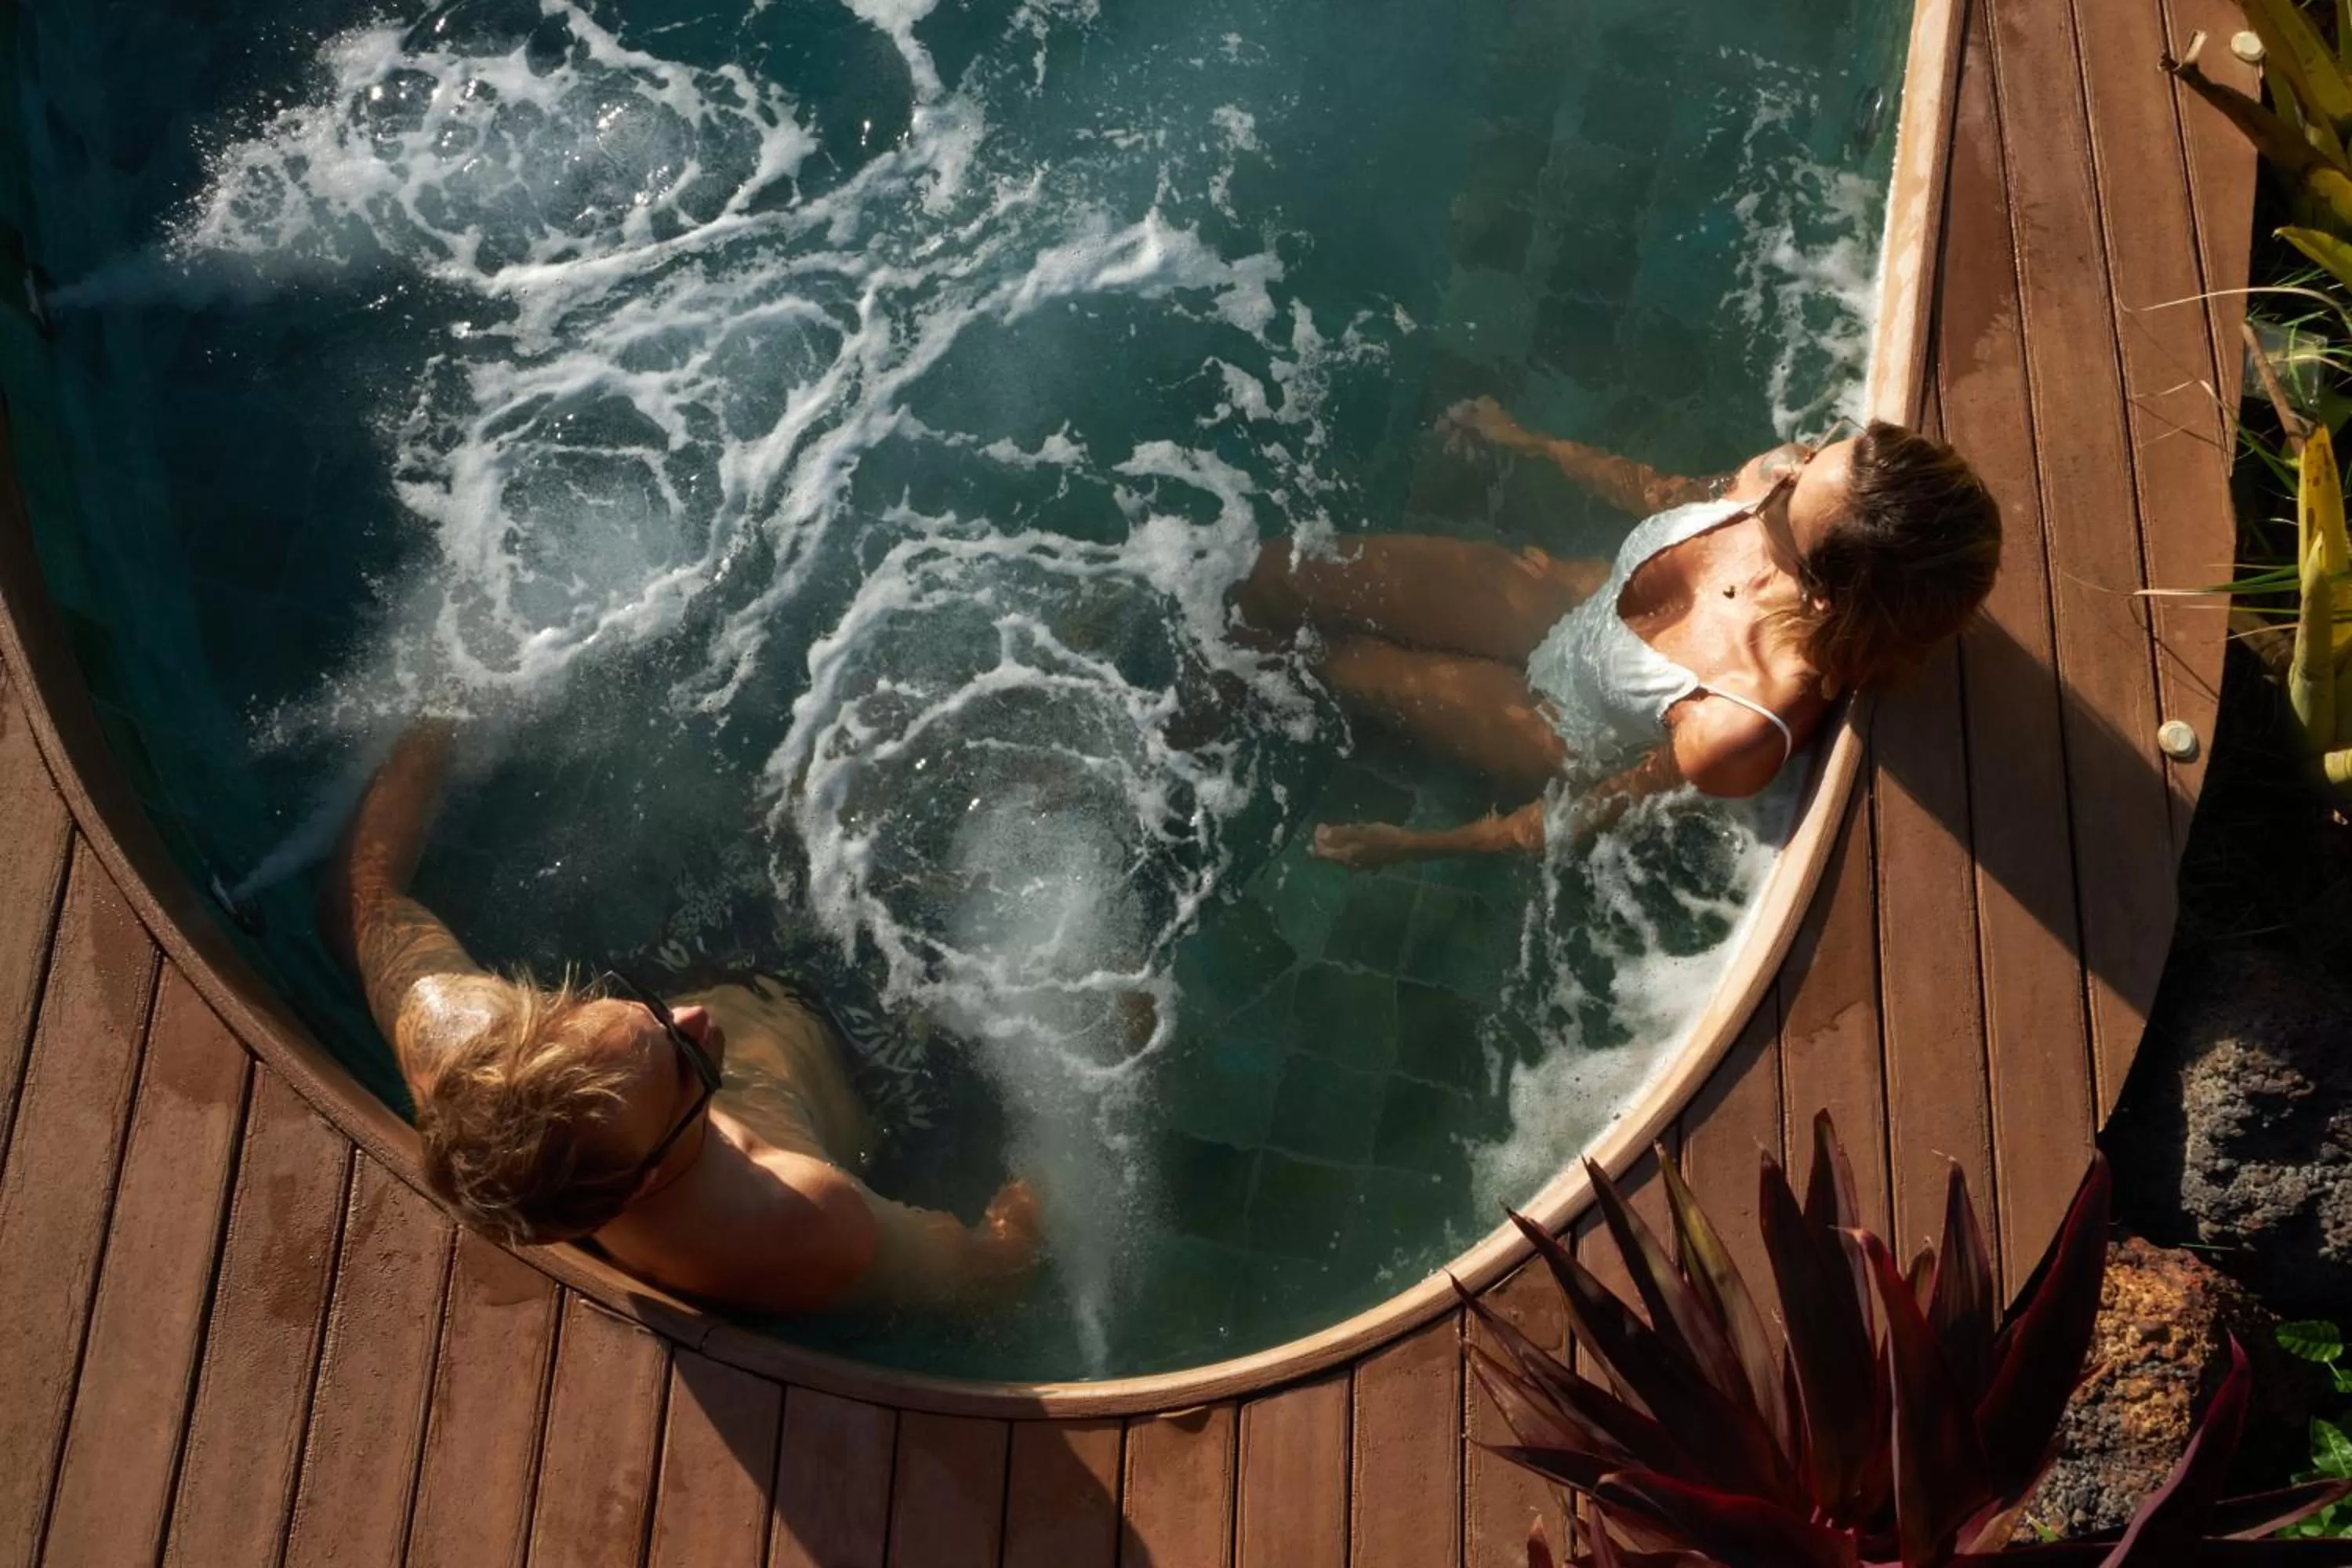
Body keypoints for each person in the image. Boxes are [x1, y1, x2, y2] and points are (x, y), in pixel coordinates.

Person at [318, 718, 1040, 1313]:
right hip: (873, 1051)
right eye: (687, 1065)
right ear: (642, 1183)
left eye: (641, 1012)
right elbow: (988, 1263)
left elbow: (366, 901)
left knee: (839, 753)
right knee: (1016, 804)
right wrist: (1094, 1076)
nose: (696, 1020)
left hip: (714, 945)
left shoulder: (467, 1045)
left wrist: (443, 707)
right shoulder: (791, 1216)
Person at [1236, 397, 2000, 866]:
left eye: (1796, 494)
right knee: (1280, 571)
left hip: (1550, 719)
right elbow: (1668, 490)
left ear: (1823, 596)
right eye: (1828, 448)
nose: (1788, 470)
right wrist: (1530, 443)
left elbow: (1600, 803)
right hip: (1563, 600)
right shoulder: (1789, 476)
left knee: (1331, 660)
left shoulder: (1738, 718)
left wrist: (1419, 847)